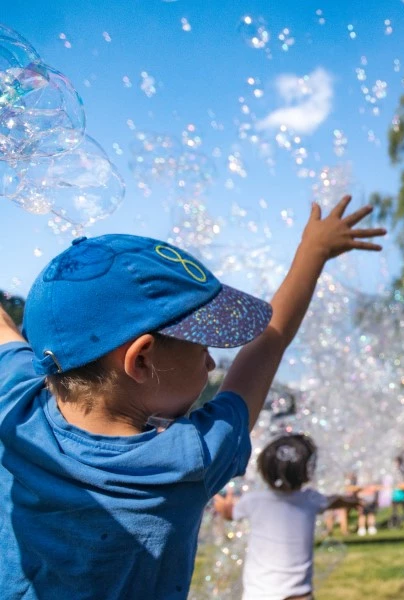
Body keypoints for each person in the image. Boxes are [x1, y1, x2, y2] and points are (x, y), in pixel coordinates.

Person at [0, 196, 384, 598]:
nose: (212, 362)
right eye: (202, 345)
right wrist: (313, 252)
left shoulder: (16, 407)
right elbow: (269, 344)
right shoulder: (186, 459)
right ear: (142, 360)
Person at [214, 433, 361, 600]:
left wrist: (221, 505)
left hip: (260, 595)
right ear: (308, 472)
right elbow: (333, 501)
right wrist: (350, 501)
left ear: (263, 470)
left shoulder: (254, 501)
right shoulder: (311, 499)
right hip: (299, 595)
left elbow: (230, 514)